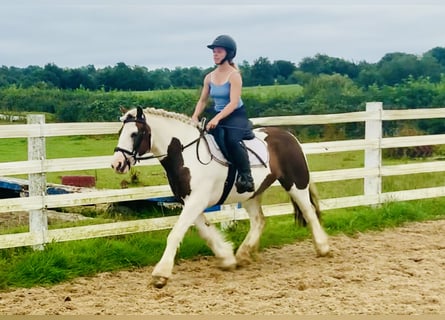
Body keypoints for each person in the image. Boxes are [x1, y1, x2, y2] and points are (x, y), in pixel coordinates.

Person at [191, 35, 255, 193]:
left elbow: (233, 103)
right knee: (207, 138)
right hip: (217, 113)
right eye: (214, 52)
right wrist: (194, 116)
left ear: (229, 53)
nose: (215, 54)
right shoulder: (209, 77)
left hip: (235, 115)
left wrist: (217, 119)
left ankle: (246, 176)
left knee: (232, 140)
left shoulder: (234, 76)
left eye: (219, 51)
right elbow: (203, 101)